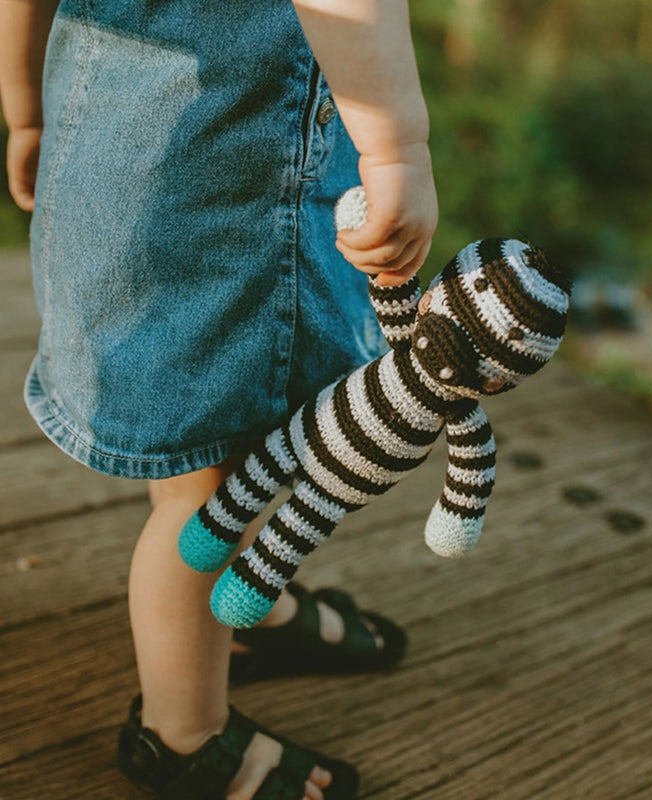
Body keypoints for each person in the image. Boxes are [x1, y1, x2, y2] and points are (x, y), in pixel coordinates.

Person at [0, 0, 438, 797]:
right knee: (209, 495)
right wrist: (399, 149)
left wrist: (24, 107)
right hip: (222, 191)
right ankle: (183, 735)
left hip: (105, 160)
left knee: (198, 461)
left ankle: (244, 617)